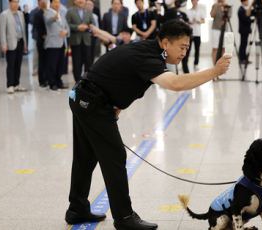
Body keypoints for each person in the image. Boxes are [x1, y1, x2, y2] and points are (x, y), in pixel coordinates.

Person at [65, 19, 231, 230]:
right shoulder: (150, 57)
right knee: (114, 156)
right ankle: (124, 218)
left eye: (187, 47)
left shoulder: (150, 51)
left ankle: (77, 209)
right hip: (91, 103)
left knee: (85, 157)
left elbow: (122, 75)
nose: (184, 52)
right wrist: (214, 72)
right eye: (181, 47)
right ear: (164, 43)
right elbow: (175, 83)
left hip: (86, 98)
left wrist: (116, 104)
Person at [0, 0, 28, 94]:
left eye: (17, 2)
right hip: (10, 43)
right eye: (14, 2)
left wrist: (25, 44)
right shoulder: (4, 14)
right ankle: (10, 85)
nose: (16, 4)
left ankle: (16, 84)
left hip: (20, 42)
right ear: (9, 3)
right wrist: (3, 44)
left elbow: (23, 30)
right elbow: (2, 31)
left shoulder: (20, 14)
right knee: (11, 65)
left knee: (18, 65)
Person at [66, 0, 94, 82]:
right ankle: (77, 81)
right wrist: (77, 27)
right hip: (75, 41)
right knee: (77, 62)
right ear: (74, 1)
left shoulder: (88, 11)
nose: (80, 1)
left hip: (87, 40)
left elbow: (93, 24)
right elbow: (67, 24)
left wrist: (87, 27)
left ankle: (87, 81)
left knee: (88, 62)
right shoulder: (70, 11)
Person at [44, 0, 69, 91]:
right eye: (55, 2)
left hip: (62, 43)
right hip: (52, 44)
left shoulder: (62, 14)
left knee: (60, 64)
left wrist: (66, 31)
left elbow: (67, 28)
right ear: (50, 4)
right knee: (52, 65)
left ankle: (59, 81)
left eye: (58, 2)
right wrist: (54, 18)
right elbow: (48, 21)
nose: (57, 4)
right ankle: (52, 83)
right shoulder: (47, 13)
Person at [185, 0, 205, 71]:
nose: (195, 2)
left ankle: (196, 64)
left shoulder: (200, 10)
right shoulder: (187, 11)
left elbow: (203, 21)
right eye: (193, 0)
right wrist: (188, 22)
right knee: (187, 49)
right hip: (190, 33)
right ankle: (185, 64)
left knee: (197, 50)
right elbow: (185, 21)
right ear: (191, 2)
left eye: (196, 0)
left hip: (197, 33)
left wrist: (198, 21)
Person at [34, 0, 48, 87]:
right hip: (41, 41)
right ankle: (42, 81)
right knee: (42, 61)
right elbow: (37, 26)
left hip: (49, 41)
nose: (44, 2)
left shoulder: (49, 12)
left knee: (47, 61)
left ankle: (47, 78)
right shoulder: (38, 13)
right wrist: (44, 34)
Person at [210, 0, 227, 66]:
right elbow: (212, 15)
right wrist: (216, 7)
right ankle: (215, 65)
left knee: (223, 48)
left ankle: (221, 65)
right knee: (215, 48)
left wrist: (224, 10)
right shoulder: (215, 5)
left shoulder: (227, 6)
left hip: (224, 29)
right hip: (215, 29)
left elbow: (228, 18)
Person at [238, 0, 252, 65]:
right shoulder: (240, 10)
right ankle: (241, 59)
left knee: (245, 44)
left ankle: (245, 58)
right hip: (243, 30)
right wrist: (251, 20)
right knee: (243, 45)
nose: (248, 2)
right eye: (247, 1)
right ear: (243, 2)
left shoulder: (244, 9)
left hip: (246, 30)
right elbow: (245, 19)